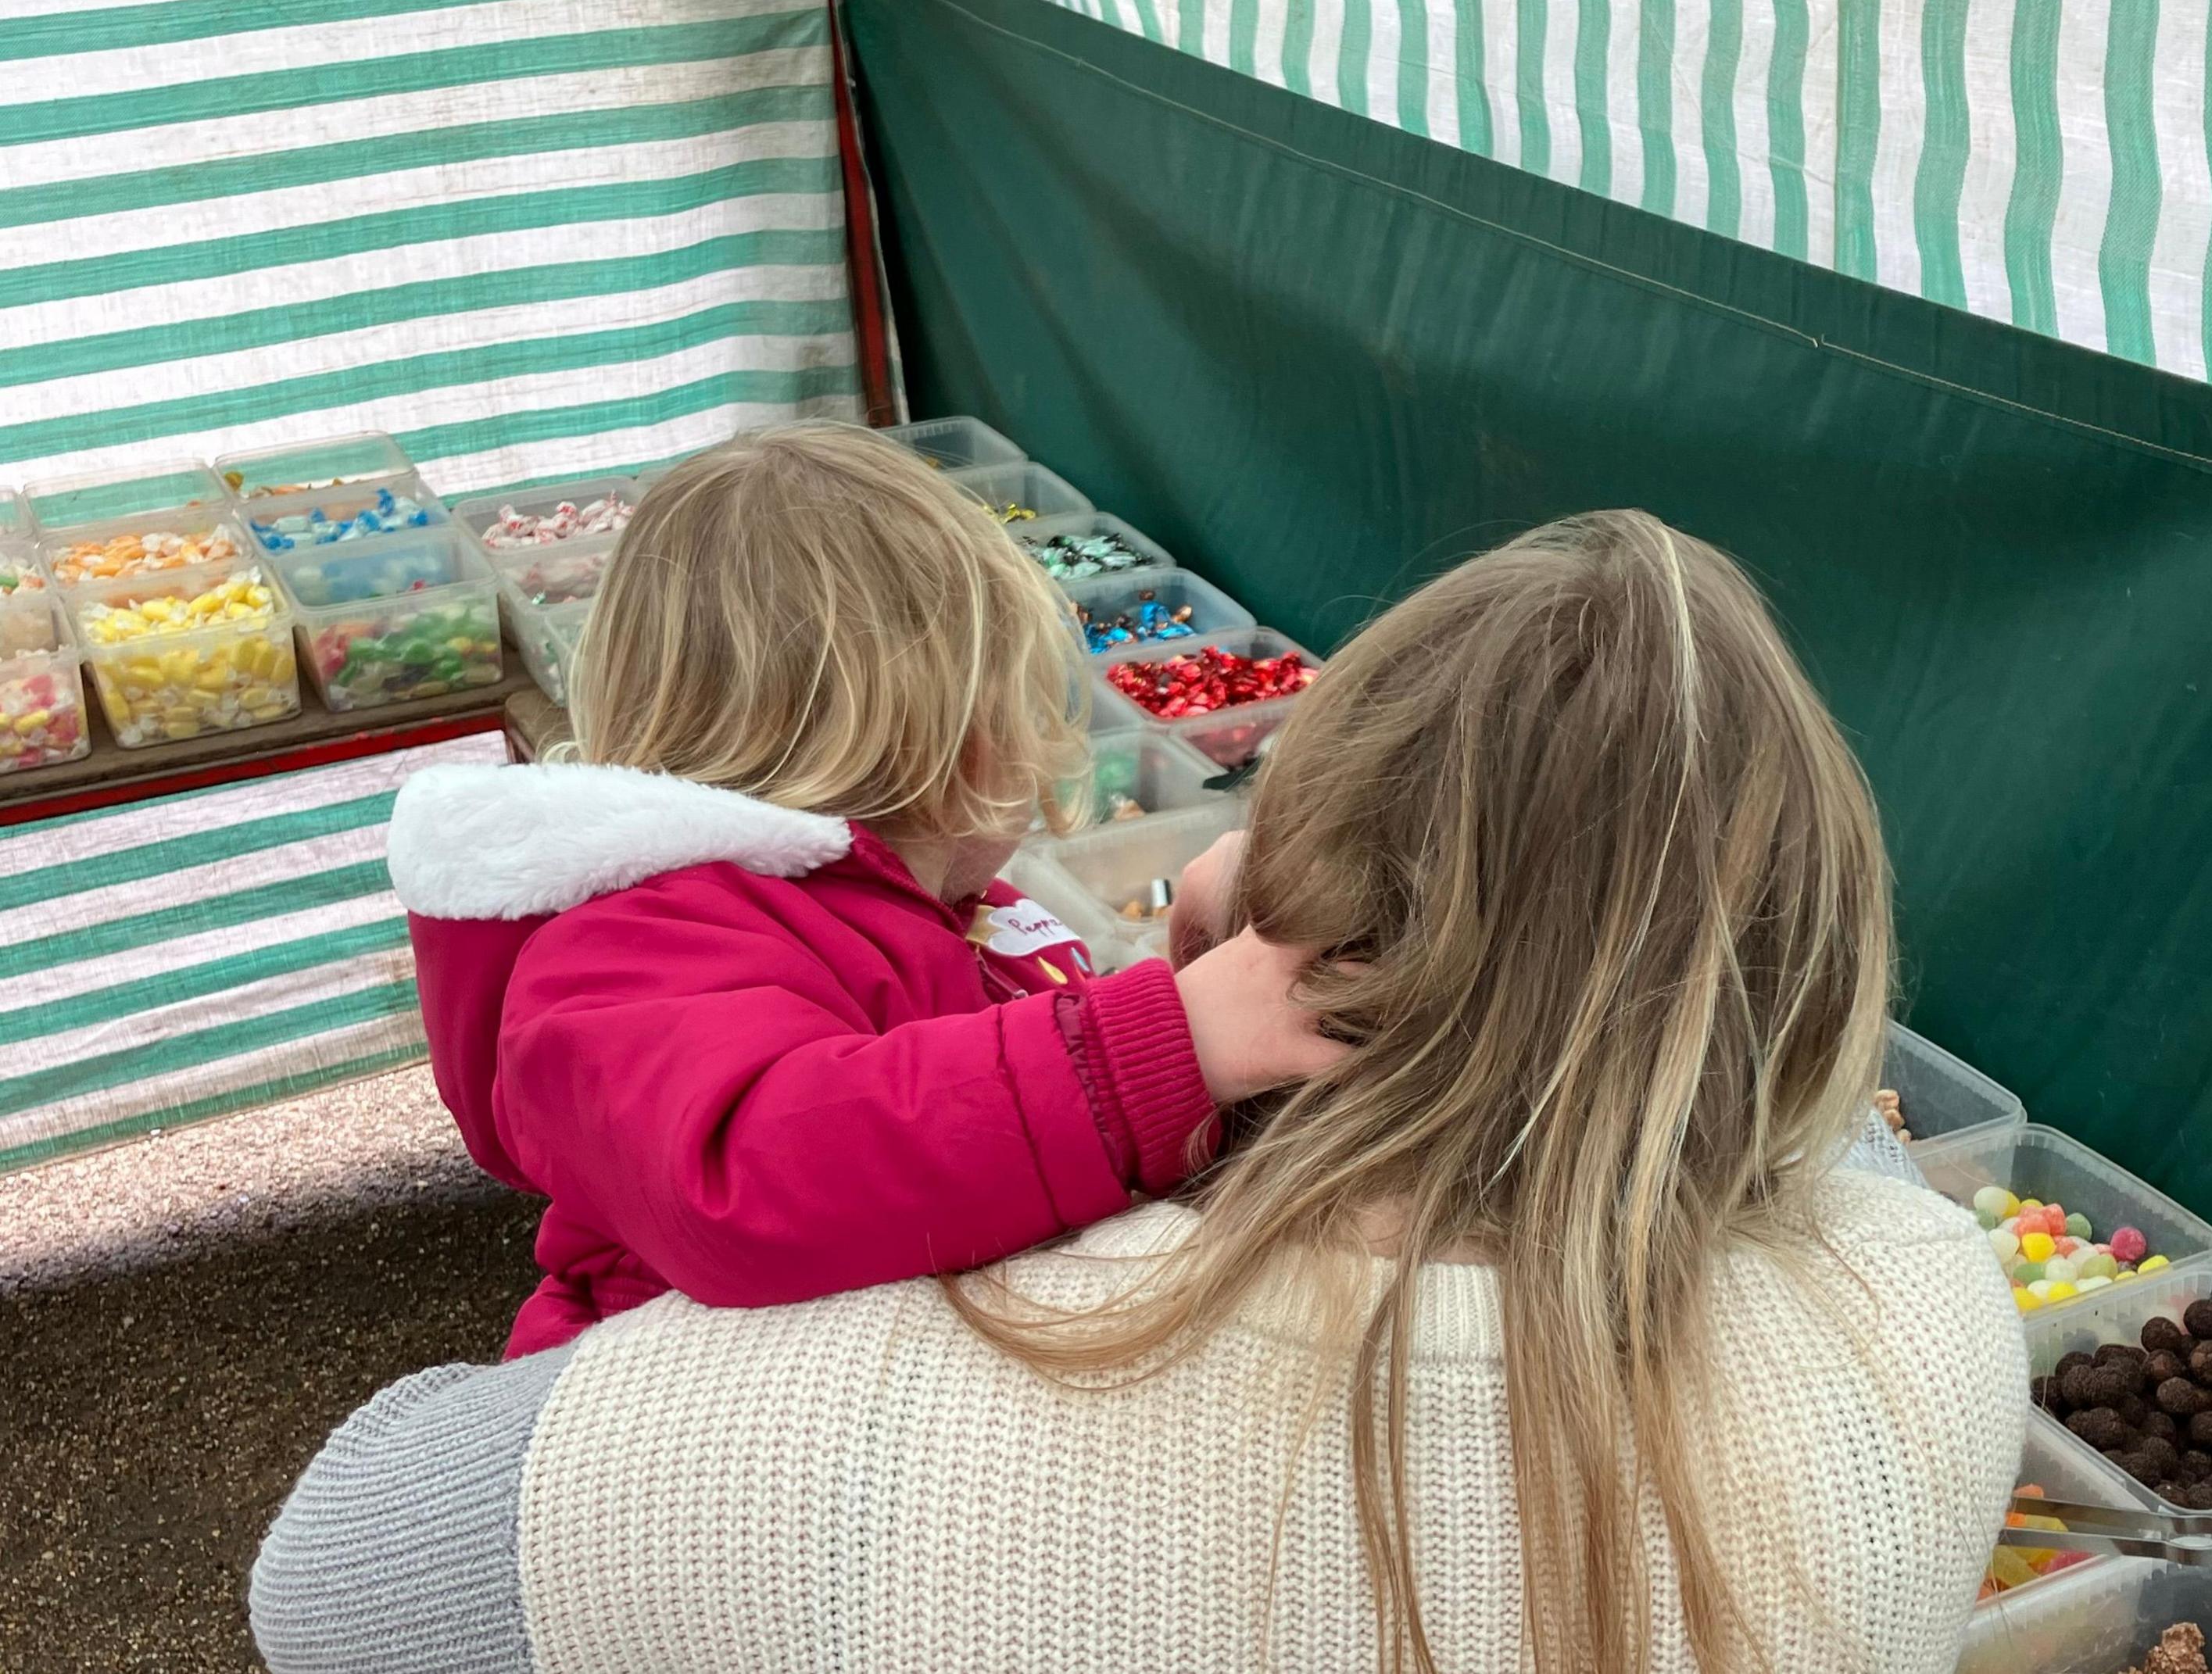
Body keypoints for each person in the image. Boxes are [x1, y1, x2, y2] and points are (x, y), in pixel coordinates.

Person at [256, 510, 2027, 1674]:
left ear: (1298, 912)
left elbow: (323, 1585)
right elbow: (1817, 1125)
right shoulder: (1929, 1313)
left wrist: (1180, 1002)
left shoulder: (835, 1391)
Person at [385, 423, 1341, 1357]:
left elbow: (980, 1091)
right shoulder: (632, 942)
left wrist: (1185, 980)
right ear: (971, 748)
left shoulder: (948, 901)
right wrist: (1166, 1042)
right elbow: (748, 1173)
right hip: (687, 1443)